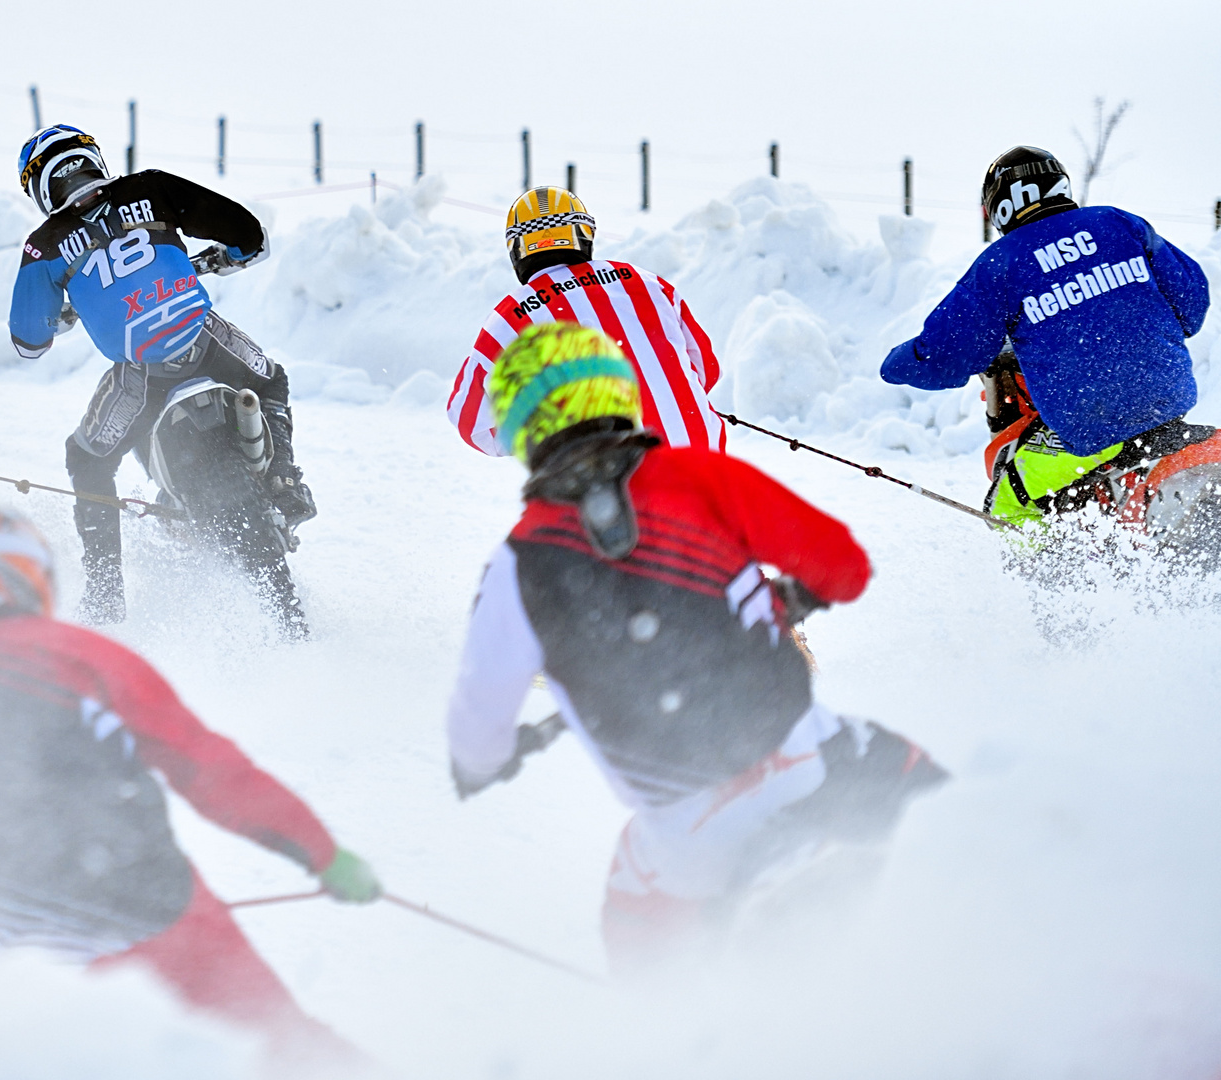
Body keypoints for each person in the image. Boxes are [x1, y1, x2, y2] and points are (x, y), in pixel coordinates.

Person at [443, 323, 944, 975]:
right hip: (813, 764)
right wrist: (796, 598)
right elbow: (843, 565)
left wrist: (485, 764)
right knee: (948, 814)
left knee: (644, 971)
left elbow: (476, 732)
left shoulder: (515, 564)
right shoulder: (698, 476)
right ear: (618, 393)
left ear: (521, 432)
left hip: (685, 844)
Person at [0, 502, 379, 1062]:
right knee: (290, 1054)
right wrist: (322, 854)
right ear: (31, 580)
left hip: (22, 980)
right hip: (167, 930)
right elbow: (211, 771)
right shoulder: (83, 657)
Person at [7, 124, 313, 624]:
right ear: (94, 159)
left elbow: (28, 339)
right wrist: (224, 257)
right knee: (270, 379)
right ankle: (283, 480)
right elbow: (249, 237)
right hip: (206, 343)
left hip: (142, 377)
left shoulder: (44, 247)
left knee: (86, 459)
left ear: (39, 186)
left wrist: (63, 313)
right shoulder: (151, 187)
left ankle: (106, 594)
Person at [882, 147, 1214, 532]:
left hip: (1093, 428)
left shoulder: (1002, 262)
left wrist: (894, 364)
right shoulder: (1119, 223)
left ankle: (1055, 591)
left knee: (1008, 507)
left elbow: (946, 355)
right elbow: (1192, 302)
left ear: (999, 207)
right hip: (1166, 407)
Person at [447, 185, 726, 457]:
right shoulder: (646, 282)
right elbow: (705, 367)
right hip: (703, 466)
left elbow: (471, 422)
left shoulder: (510, 318)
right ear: (583, 234)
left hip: (607, 487)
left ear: (517, 249)